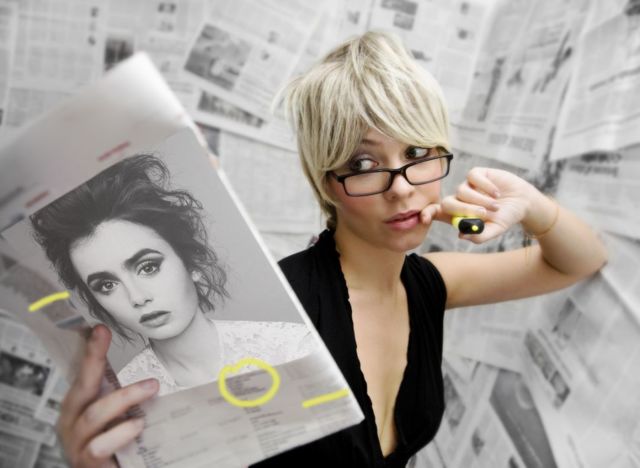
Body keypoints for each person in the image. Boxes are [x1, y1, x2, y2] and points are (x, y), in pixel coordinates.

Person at [54, 31, 607, 467]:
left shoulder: (431, 282)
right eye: (364, 164)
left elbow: (579, 261)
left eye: (418, 153)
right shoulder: (283, 312)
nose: (401, 187)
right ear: (326, 183)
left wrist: (532, 205)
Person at [30, 154, 314, 397]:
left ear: (192, 263)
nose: (137, 297)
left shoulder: (295, 348)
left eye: (148, 267)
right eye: (107, 285)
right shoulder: (124, 401)